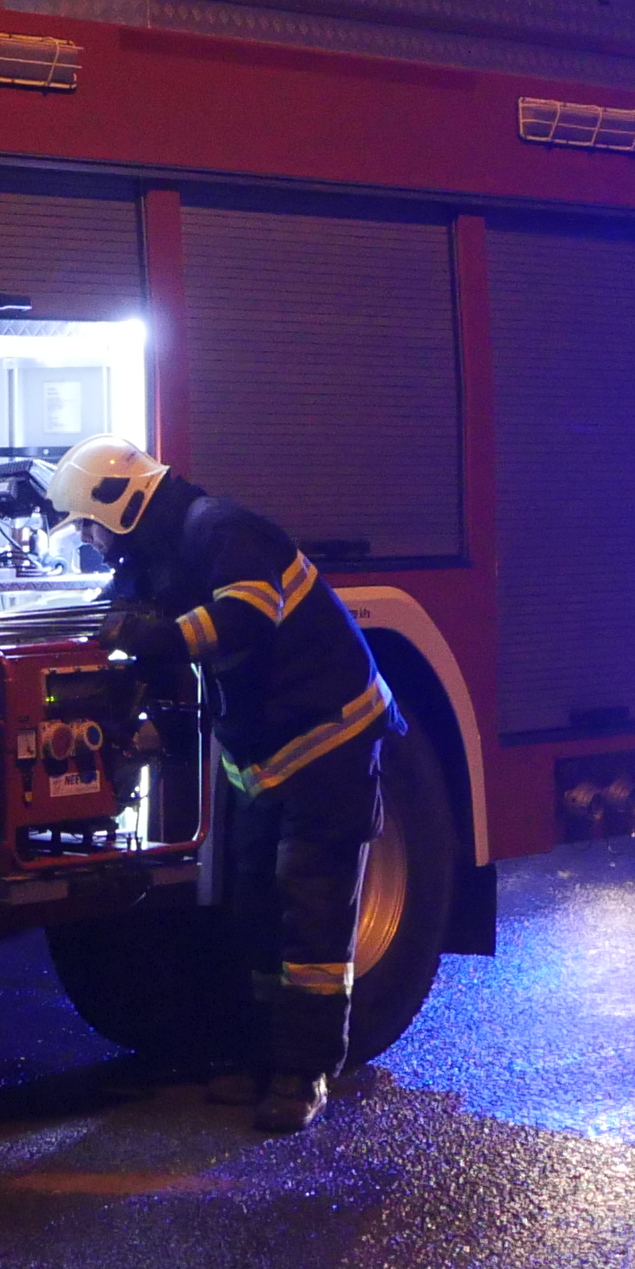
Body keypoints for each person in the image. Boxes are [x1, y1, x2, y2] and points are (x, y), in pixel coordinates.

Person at [52, 435, 399, 1135]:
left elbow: (245, 614)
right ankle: (260, 1055)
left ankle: (304, 1076)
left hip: (329, 740)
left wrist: (157, 640)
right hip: (266, 757)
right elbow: (130, 628)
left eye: (87, 524)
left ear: (119, 506)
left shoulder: (218, 527)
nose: (87, 541)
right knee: (255, 908)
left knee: (312, 913)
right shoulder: (156, 553)